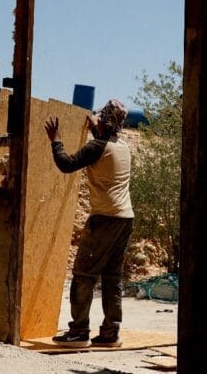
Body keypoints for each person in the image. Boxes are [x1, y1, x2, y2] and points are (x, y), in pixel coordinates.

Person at [46, 99, 133, 349]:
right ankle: (110, 333)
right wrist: (97, 126)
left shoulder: (97, 146)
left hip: (104, 219)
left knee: (84, 274)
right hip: (125, 218)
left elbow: (66, 164)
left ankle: (78, 332)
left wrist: (56, 139)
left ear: (104, 122)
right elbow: (103, 139)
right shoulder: (123, 146)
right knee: (112, 277)